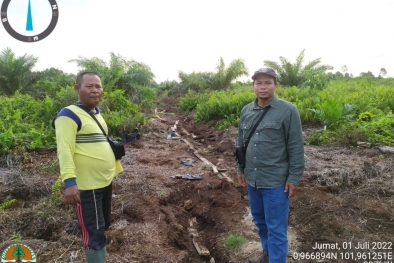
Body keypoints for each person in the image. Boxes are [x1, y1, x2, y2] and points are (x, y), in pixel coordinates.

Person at [237, 68, 305, 263]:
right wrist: (240, 170)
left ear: (276, 85)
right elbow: (240, 143)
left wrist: (294, 178)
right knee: (261, 221)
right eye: (259, 83)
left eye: (268, 82)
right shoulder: (246, 111)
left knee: (276, 227)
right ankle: (267, 255)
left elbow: (295, 146)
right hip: (252, 179)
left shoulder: (288, 110)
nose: (263, 87)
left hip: (276, 181)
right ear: (253, 86)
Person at [54, 72, 123, 263]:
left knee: (103, 225)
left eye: (98, 86)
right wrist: (70, 183)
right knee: (93, 231)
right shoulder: (67, 115)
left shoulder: (96, 113)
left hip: (104, 181)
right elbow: (64, 151)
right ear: (77, 88)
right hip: (86, 186)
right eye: (89, 86)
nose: (95, 90)